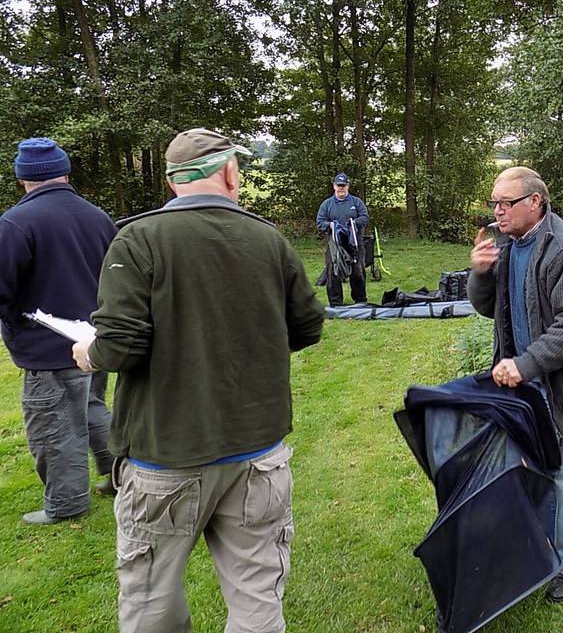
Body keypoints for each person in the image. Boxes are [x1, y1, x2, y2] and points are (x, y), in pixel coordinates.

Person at [71, 128, 324, 633]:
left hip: (164, 461)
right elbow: (308, 325)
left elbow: (119, 346)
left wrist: (86, 352)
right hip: (256, 457)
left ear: (170, 182)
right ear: (230, 172)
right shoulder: (267, 238)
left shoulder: (138, 239)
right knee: (258, 599)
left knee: (151, 601)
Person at [467, 166, 563, 602]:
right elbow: (489, 309)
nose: (497, 212)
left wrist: (526, 363)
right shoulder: (509, 245)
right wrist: (480, 273)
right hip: (530, 383)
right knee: (539, 469)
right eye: (494, 203)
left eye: (506, 203)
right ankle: (545, 550)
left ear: (535, 202)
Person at [0, 137, 117, 525]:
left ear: (23, 179)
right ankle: (120, 477)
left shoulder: (17, 223)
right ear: (65, 172)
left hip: (48, 346)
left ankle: (66, 503)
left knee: (53, 426)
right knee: (91, 408)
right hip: (94, 340)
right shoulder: (97, 216)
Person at [315, 172, 369, 305]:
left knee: (358, 271)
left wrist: (353, 224)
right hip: (334, 244)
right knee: (333, 271)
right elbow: (320, 221)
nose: (341, 188)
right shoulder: (327, 204)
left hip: (354, 243)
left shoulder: (356, 202)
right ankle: (335, 302)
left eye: (343, 185)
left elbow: (365, 217)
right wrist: (331, 225)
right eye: (339, 185)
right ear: (334, 186)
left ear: (348, 186)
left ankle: (360, 300)